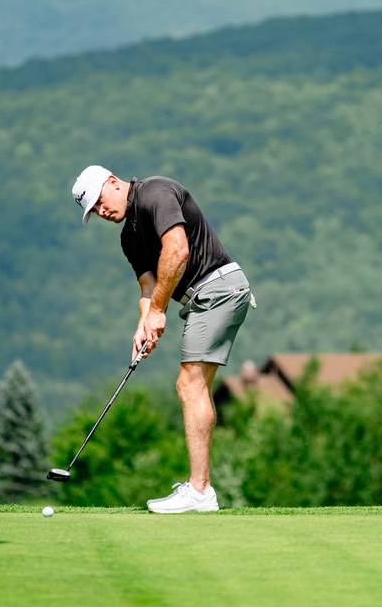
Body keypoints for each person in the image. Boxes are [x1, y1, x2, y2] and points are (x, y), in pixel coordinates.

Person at [71, 165, 256, 513]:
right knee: (194, 385)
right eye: (93, 210)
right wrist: (144, 326)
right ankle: (201, 489)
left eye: (99, 201)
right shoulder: (128, 238)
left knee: (189, 384)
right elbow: (149, 286)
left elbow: (177, 250)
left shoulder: (155, 192)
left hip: (219, 288)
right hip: (204, 297)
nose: (101, 211)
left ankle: (200, 491)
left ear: (112, 182)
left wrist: (158, 311)